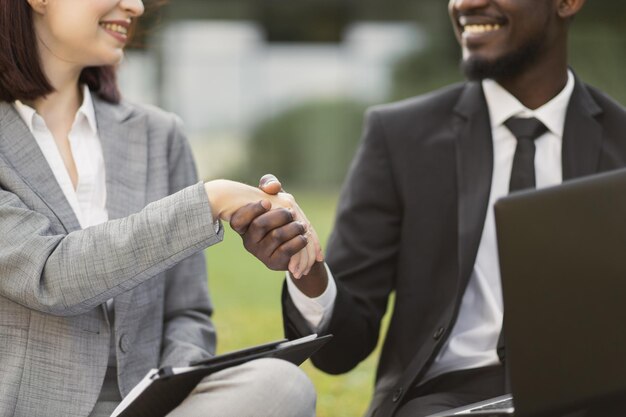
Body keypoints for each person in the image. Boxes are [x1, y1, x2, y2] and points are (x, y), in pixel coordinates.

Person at [231, 0, 626, 416]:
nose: (465, 3)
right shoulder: (399, 138)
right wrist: (307, 270)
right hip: (443, 402)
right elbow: (340, 351)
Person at [0, 0, 323, 416]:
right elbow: (49, 275)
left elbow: (186, 311)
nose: (134, 5)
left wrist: (173, 385)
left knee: (280, 385)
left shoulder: (158, 134)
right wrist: (212, 199)